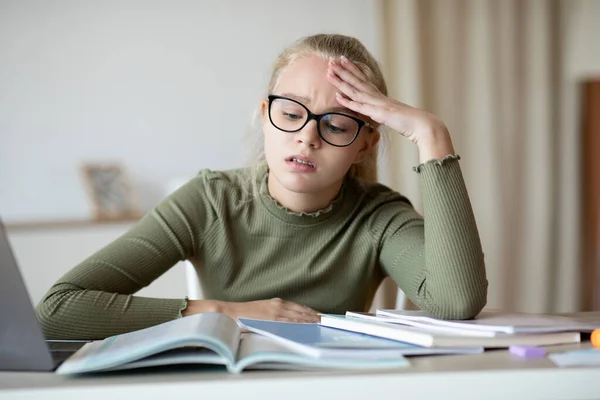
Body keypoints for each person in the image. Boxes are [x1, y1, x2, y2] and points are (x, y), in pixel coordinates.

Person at [36, 33, 487, 340]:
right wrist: (221, 311)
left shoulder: (379, 215)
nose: (308, 136)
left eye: (337, 124)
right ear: (264, 115)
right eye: (291, 114)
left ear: (367, 142)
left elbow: (456, 301)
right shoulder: (210, 200)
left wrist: (431, 135)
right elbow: (58, 310)